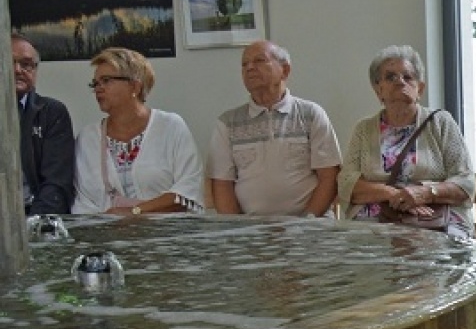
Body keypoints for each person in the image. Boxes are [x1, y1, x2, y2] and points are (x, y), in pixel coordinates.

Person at [338, 45, 475, 240]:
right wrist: (393, 194)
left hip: (435, 222)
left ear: (420, 88)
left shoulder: (442, 122)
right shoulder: (363, 129)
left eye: (408, 77)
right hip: (375, 226)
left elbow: (466, 182)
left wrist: (426, 193)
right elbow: (346, 183)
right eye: (390, 77)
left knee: (440, 256)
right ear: (379, 90)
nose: (400, 82)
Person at [208, 40, 342, 217]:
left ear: (285, 70)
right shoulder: (227, 123)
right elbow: (222, 185)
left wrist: (307, 222)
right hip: (251, 231)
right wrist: (238, 231)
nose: (249, 68)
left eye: (259, 61)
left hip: (310, 227)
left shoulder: (311, 115)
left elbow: (329, 178)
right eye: (244, 64)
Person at [72, 47, 204, 215]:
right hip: (107, 237)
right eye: (95, 83)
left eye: (106, 80)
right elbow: (83, 202)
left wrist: (136, 211)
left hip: (168, 235)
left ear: (135, 86)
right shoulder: (87, 138)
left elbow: (188, 191)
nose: (98, 88)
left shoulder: (171, 126)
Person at [12, 33, 73, 215]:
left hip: (34, 217)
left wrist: (33, 228)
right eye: (8, 62)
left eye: (26, 64)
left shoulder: (51, 112)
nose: (17, 70)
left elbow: (57, 184)